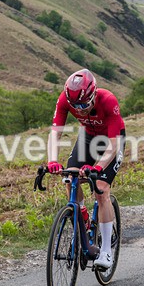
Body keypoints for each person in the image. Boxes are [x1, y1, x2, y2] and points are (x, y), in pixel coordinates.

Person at [47, 69, 125, 269]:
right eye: (75, 106)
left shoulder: (108, 100)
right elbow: (55, 133)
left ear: (93, 94)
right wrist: (52, 160)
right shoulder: (64, 100)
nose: (79, 110)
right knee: (69, 178)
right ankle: (81, 218)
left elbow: (114, 144)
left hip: (110, 139)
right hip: (88, 137)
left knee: (100, 188)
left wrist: (97, 167)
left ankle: (106, 251)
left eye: (84, 105)